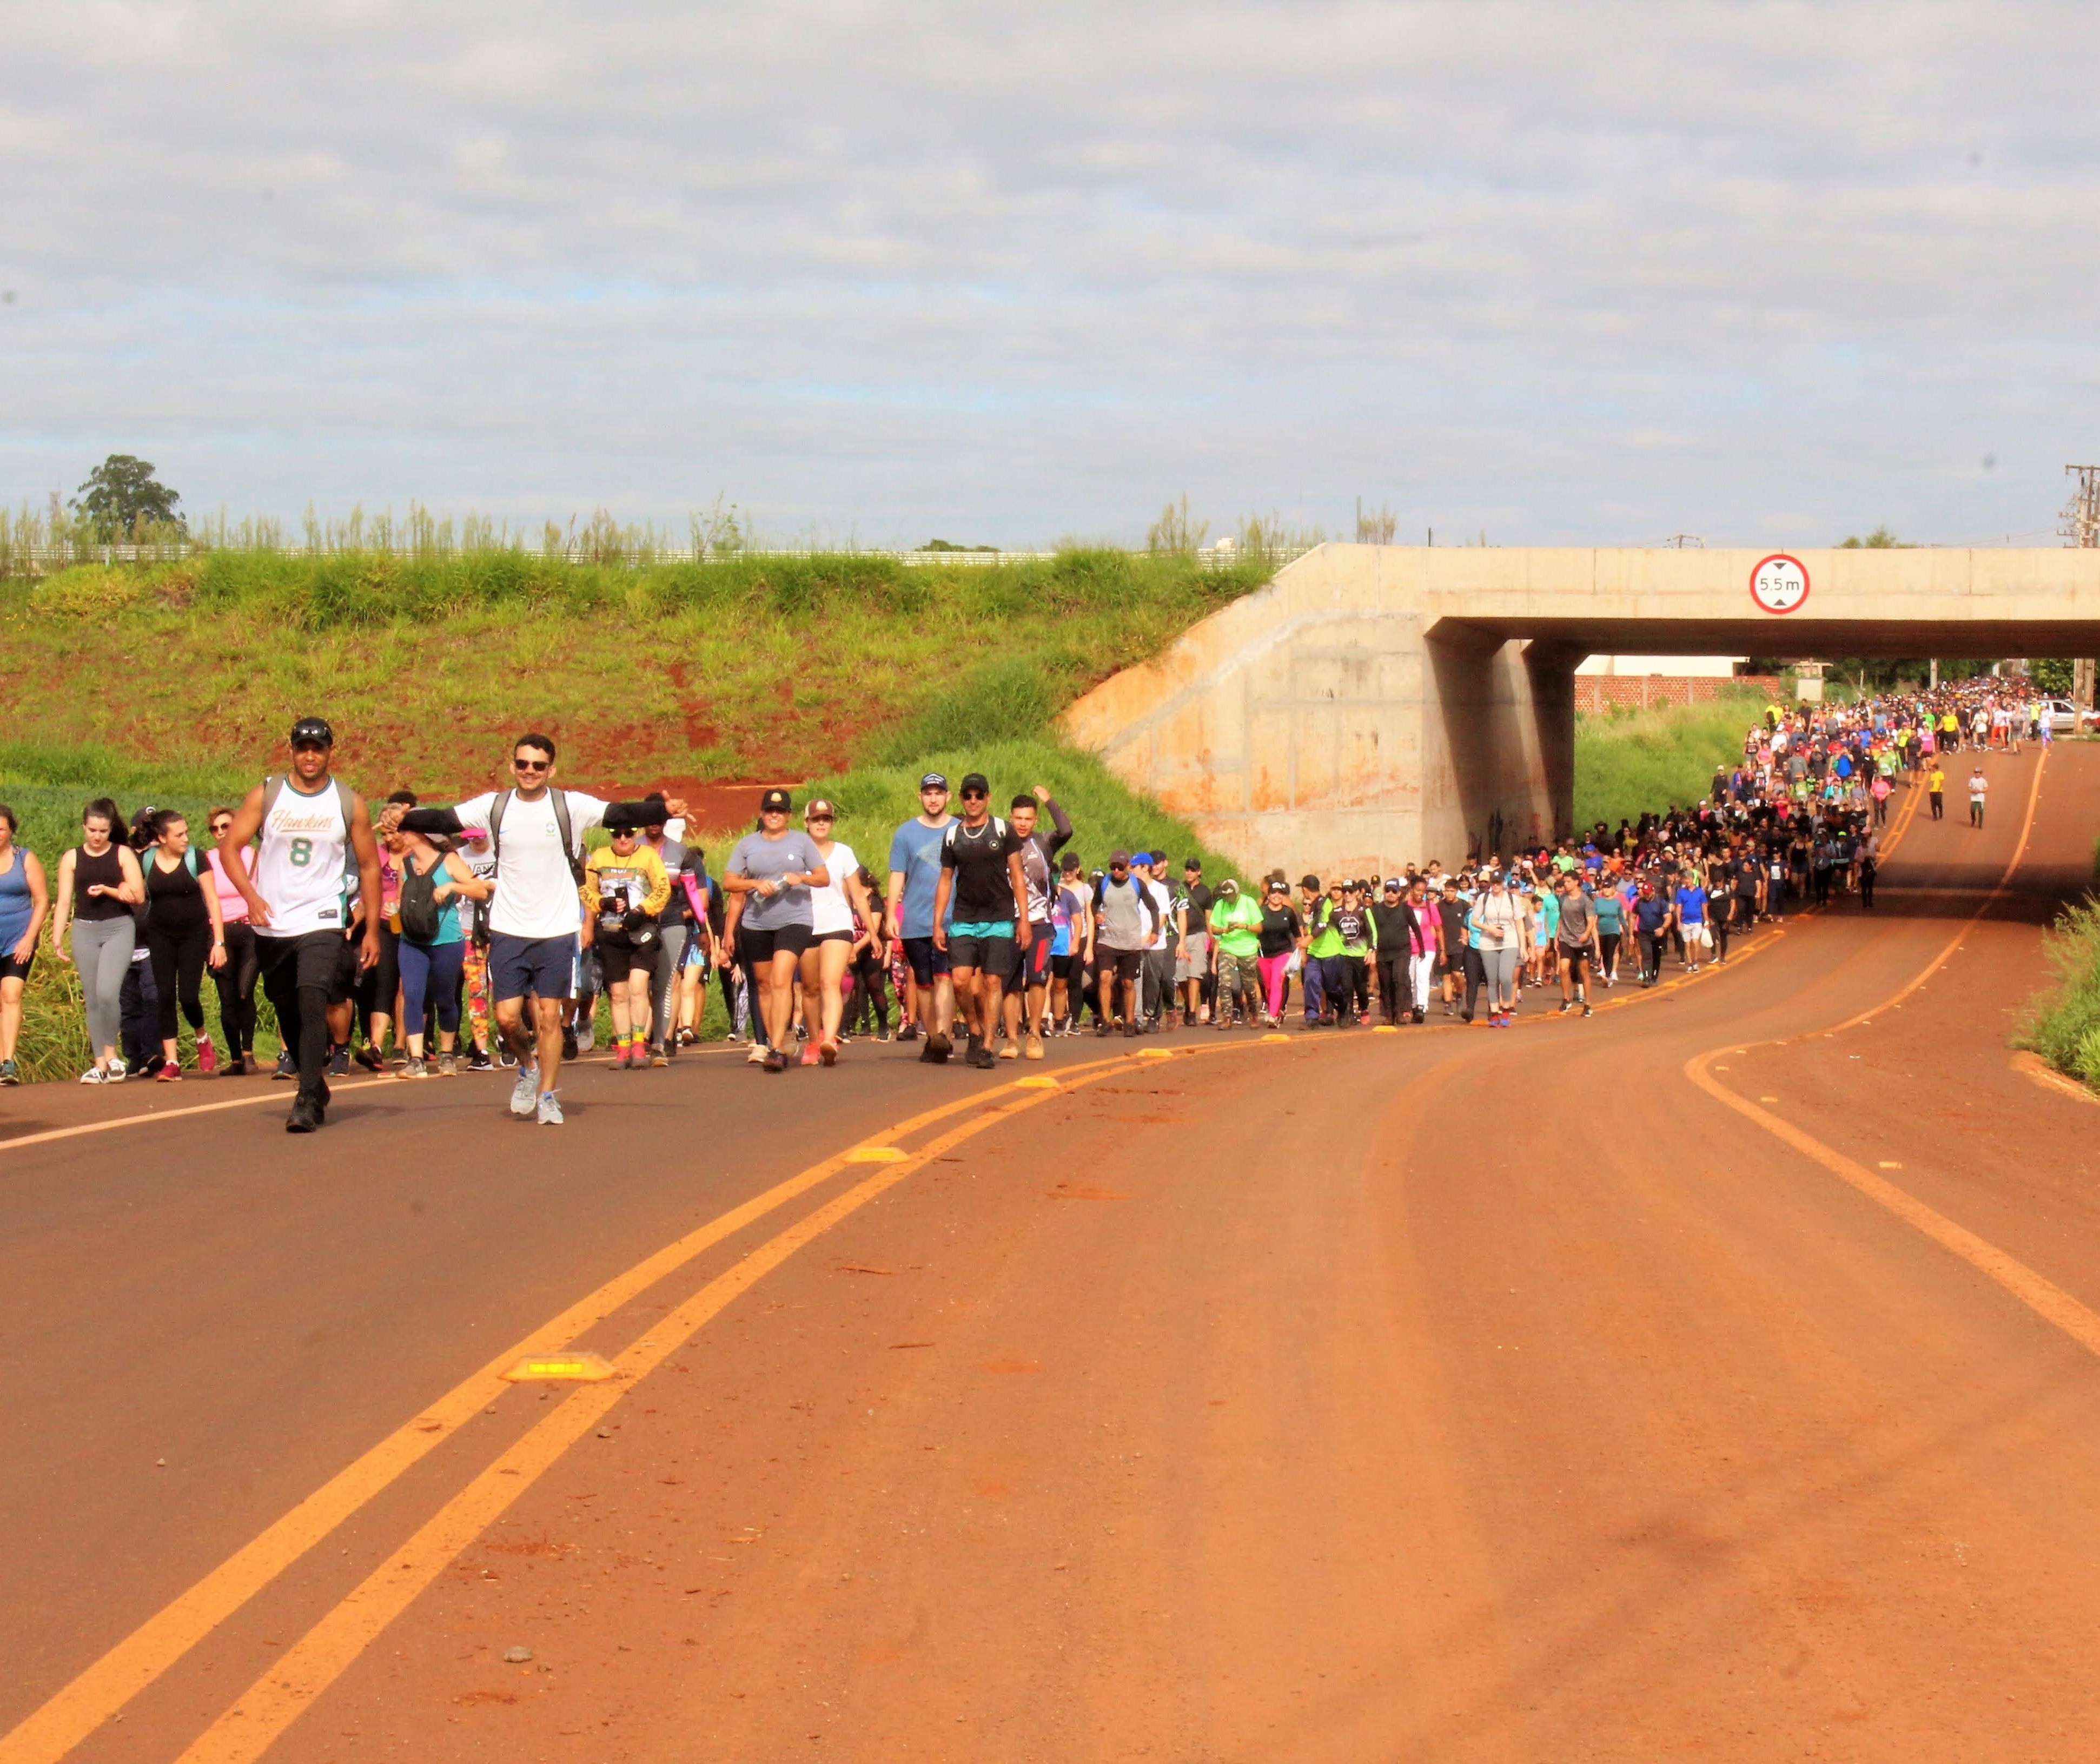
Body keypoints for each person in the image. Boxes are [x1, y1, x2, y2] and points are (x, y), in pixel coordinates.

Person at [381, 731, 681, 1122]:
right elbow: (443, 819)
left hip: (556, 927)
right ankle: (528, 1067)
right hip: (508, 926)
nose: (529, 771)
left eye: (538, 765)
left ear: (550, 769)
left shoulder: (568, 805)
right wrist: (406, 818)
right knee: (507, 1018)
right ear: (513, 766)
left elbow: (619, 815)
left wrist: (661, 809)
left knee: (549, 1017)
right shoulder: (495, 806)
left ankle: (548, 1096)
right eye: (522, 764)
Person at [216, 719, 383, 1131]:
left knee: (313, 996)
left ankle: (308, 1097)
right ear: (291, 750)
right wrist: (251, 897)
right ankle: (314, 1078)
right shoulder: (268, 793)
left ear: (331, 751)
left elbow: (369, 866)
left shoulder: (348, 802)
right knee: (285, 1003)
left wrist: (374, 929)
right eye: (303, 748)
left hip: (322, 916)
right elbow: (231, 848)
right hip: (273, 921)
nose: (311, 756)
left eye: (318, 748)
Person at [719, 787, 827, 1074]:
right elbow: (729, 882)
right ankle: (771, 1041)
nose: (774, 815)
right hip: (757, 923)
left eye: (780, 811)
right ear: (762, 813)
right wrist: (754, 885)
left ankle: (777, 1049)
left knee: (782, 979)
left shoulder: (802, 842)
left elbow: (823, 877)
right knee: (764, 986)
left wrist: (798, 877)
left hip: (795, 920)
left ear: (789, 815)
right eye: (770, 811)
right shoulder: (747, 845)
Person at [930, 772, 1030, 1070]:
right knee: (960, 982)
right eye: (968, 796)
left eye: (979, 795)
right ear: (961, 799)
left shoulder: (1003, 830)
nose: (973, 801)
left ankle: (987, 1045)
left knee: (992, 981)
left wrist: (1023, 920)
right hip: (964, 918)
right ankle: (974, 1029)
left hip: (999, 918)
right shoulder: (952, 836)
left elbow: (1018, 876)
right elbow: (946, 880)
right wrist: (938, 923)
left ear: (988, 798)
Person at [50, 798, 147, 1083]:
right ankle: (100, 1063)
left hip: (118, 927)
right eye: (92, 830)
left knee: (107, 992)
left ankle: (112, 1053)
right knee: (92, 997)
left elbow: (138, 896)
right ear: (84, 827)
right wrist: (58, 935)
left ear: (109, 830)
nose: (96, 836)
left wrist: (109, 890)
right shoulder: (72, 858)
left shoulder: (122, 855)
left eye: (103, 831)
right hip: (84, 929)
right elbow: (64, 899)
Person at [395, 826, 493, 1076]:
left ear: (423, 835)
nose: (401, 836)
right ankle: (415, 1059)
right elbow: (401, 901)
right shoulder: (404, 865)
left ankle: (447, 1053)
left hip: (446, 940)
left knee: (445, 998)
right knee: (413, 994)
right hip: (411, 940)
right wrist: (393, 911)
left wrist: (452, 888)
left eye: (407, 831)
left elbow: (480, 890)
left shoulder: (449, 861)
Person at [138, 810, 228, 1079]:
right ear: (162, 838)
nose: (186, 838)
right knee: (164, 995)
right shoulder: (147, 859)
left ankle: (202, 1037)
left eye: (186, 832)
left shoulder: (196, 858)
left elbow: (213, 900)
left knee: (187, 996)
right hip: (159, 934)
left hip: (194, 935)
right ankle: (172, 1062)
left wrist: (219, 942)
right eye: (179, 834)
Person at [580, 819, 672, 1070]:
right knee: (618, 994)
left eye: (628, 833)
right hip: (611, 933)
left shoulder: (648, 856)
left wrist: (643, 910)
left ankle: (640, 1045)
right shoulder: (598, 858)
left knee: (638, 987)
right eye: (616, 834)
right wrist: (603, 903)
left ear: (636, 833)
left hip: (641, 931)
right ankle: (622, 1050)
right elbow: (586, 891)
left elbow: (663, 889)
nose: (623, 838)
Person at [887, 773, 956, 1062]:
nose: (933, 798)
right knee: (924, 983)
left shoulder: (959, 829)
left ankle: (944, 1034)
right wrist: (891, 912)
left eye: (938, 793)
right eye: (928, 793)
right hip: (915, 920)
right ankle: (932, 1038)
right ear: (920, 797)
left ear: (948, 797)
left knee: (946, 978)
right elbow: (897, 875)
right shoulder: (905, 834)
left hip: (952, 919)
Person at [797, 798, 871, 1066]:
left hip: (838, 923)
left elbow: (858, 896)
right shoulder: (796, 852)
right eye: (815, 819)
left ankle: (829, 1039)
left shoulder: (843, 853)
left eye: (825, 819)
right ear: (806, 823)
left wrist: (872, 933)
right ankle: (813, 1043)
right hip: (805, 923)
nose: (821, 823)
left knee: (830, 982)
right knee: (810, 987)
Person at [1004, 788, 1072, 1054]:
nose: (1022, 823)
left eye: (1028, 819)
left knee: (1036, 979)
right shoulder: (1001, 844)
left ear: (1035, 821)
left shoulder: (1043, 842)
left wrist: (1049, 800)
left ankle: (1034, 1035)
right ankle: (1011, 1039)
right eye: (1018, 818)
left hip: (1040, 924)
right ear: (1011, 818)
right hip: (1008, 924)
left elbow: (1066, 831)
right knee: (1009, 982)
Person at [204, 806, 263, 1075]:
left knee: (244, 990)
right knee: (227, 997)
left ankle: (249, 1051)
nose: (220, 833)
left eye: (225, 826)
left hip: (249, 929)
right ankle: (236, 1057)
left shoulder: (253, 856)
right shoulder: (208, 860)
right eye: (215, 829)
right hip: (220, 932)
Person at [0, 805, 49, 1085]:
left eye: (1, 829)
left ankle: (8, 1062)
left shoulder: (25, 859)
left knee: (11, 994)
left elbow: (41, 899)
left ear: (10, 830)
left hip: (18, 940)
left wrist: (29, 938)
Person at [1092, 851, 1162, 1035]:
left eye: (1120, 867)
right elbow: (1094, 904)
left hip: (1130, 941)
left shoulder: (1136, 884)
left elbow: (1153, 906)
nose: (1116, 871)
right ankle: (1106, 1021)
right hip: (1108, 939)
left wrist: (1155, 930)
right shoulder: (1104, 883)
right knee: (1105, 978)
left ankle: (1130, 1022)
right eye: (1113, 867)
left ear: (1128, 867)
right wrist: (1096, 915)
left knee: (1128, 983)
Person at [1206, 877, 1263, 1029]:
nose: (1229, 900)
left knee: (1249, 985)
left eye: (1231, 896)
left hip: (1247, 949)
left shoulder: (1248, 902)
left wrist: (1244, 926)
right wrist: (1225, 930)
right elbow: (1214, 928)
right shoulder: (1220, 905)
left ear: (1238, 894)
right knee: (1224, 982)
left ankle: (1254, 1014)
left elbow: (1259, 927)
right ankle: (1227, 1016)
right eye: (1226, 897)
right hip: (1227, 946)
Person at [1470, 872, 1525, 1027]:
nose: (1495, 886)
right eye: (1493, 883)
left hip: (1509, 941)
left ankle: (1506, 1007)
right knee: (1492, 979)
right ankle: (1494, 1013)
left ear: (1503, 884)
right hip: (1488, 942)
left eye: (1498, 883)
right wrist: (1490, 928)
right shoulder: (1484, 898)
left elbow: (1519, 923)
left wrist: (1524, 947)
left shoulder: (1513, 899)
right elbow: (1474, 920)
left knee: (1506, 977)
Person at [1256, 879, 1302, 1027]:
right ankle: (1274, 1009)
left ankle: (1274, 1015)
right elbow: (1254, 931)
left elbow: (1297, 935)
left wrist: (1301, 952)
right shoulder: (1261, 912)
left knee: (1278, 981)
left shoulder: (1288, 913)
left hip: (1284, 952)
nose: (1277, 896)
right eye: (1273, 893)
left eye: (1280, 893)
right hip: (1264, 954)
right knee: (1267, 985)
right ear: (1268, 895)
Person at [1554, 872, 1599, 1018]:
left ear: (1576, 883)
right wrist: (1556, 937)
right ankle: (1566, 999)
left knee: (1584, 971)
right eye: (1564, 882)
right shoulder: (1562, 899)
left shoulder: (1586, 901)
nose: (1565, 885)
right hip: (1566, 939)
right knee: (1564, 968)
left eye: (1568, 882)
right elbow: (1561, 919)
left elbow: (1591, 921)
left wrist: (1586, 934)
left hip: (1582, 941)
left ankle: (1588, 1004)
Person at [1177, 857, 1215, 1026]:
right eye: (1187, 869)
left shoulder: (1205, 892)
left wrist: (1211, 936)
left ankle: (1192, 1012)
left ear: (1199, 872)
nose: (1189, 873)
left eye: (1193, 870)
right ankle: (1187, 1003)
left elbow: (1208, 916)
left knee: (1195, 974)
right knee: (1181, 976)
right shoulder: (1180, 889)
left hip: (1199, 935)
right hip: (1181, 937)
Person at [1969, 765, 1988, 830]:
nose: (1977, 774)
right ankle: (1973, 820)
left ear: (1980, 773)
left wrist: (1980, 791)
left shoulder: (1983, 780)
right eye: (1976, 772)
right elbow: (1969, 788)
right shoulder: (1972, 780)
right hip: (1974, 798)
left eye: (1978, 773)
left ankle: (1980, 824)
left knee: (1981, 811)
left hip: (1981, 799)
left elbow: (1986, 788)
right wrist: (1973, 791)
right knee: (1972, 810)